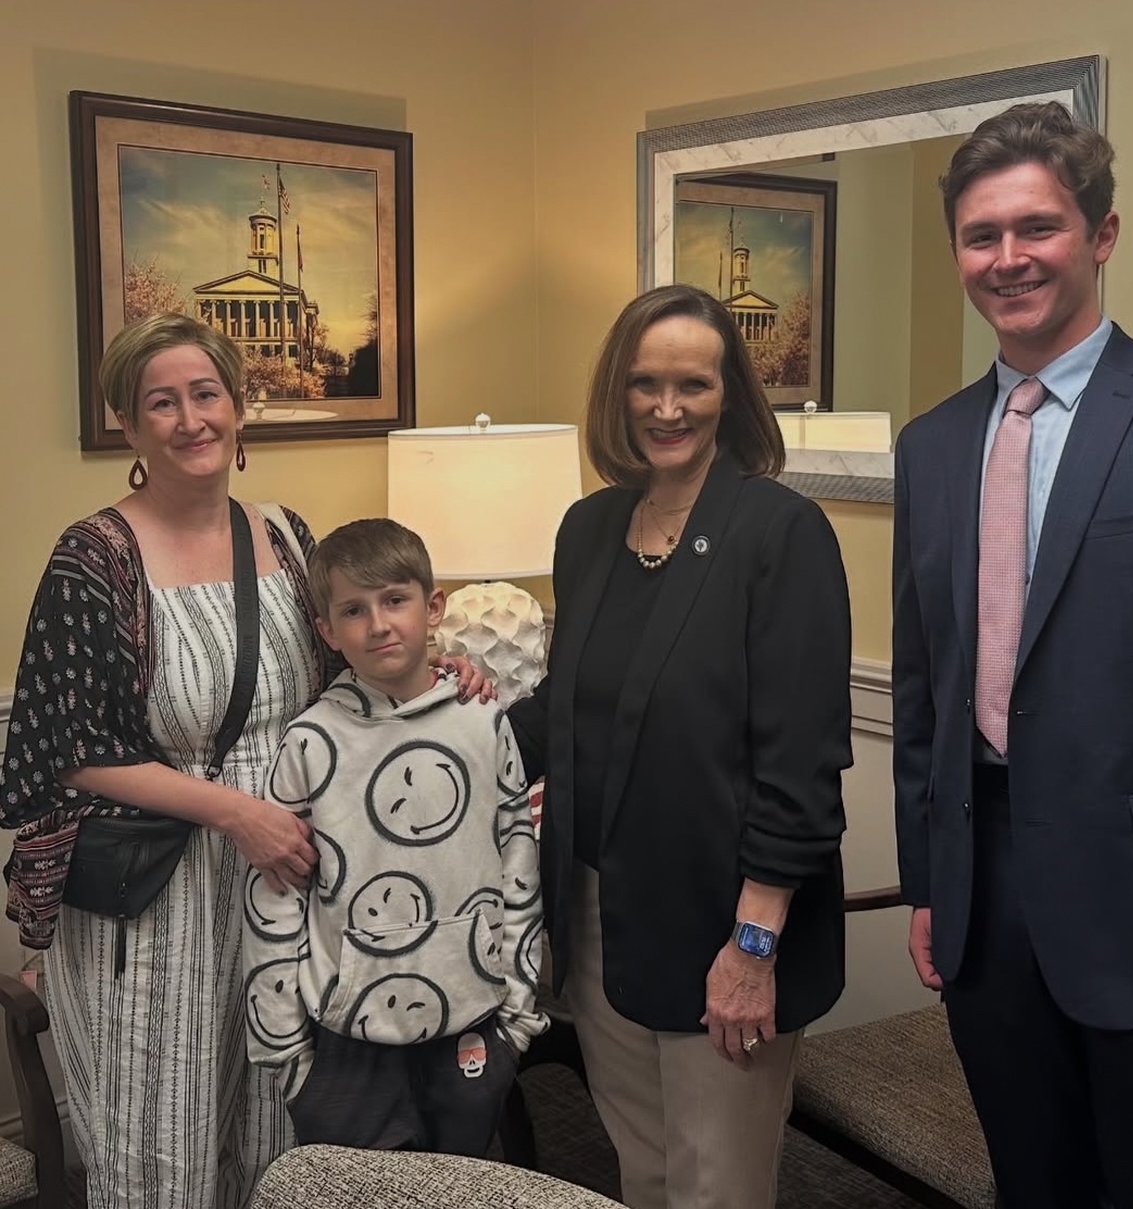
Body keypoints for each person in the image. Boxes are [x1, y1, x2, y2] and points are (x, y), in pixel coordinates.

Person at [0, 314, 489, 1209]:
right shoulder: (94, 559)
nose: (190, 419)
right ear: (130, 425)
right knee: (163, 1149)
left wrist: (444, 666)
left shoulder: (287, 537)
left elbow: (350, 673)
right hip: (156, 906)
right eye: (162, 402)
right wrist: (237, 813)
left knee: (276, 1131)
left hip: (282, 894)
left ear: (236, 408)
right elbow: (63, 752)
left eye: (206, 394)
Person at [892, 101, 1133, 1209]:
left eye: (1036, 228)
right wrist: (930, 885)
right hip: (983, 903)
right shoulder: (931, 445)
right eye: (979, 235)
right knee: (1031, 1184)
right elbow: (923, 697)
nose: (1006, 259)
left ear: (1099, 235)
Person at [506, 283, 852, 1209]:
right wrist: (428, 714)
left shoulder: (782, 533)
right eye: (645, 384)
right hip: (601, 916)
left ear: (731, 394)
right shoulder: (588, 531)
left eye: (693, 384)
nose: (668, 408)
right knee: (643, 1173)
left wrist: (751, 946)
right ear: (616, 394)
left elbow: (800, 766)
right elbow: (567, 709)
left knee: (718, 1185)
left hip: (726, 925)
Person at [243, 517, 547, 1154]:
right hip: (345, 1047)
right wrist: (285, 1053)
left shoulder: (482, 720)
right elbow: (275, 896)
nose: (378, 624)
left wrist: (517, 1017)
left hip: (473, 1023)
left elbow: (518, 858)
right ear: (327, 631)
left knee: (469, 1192)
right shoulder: (309, 743)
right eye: (354, 610)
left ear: (432, 608)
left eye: (395, 601)